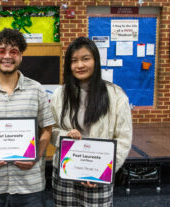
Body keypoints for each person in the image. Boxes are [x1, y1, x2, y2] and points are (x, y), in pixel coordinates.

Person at [0, 28, 55, 207]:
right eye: (1, 51)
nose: (7, 56)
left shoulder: (37, 90)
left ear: (21, 56)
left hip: (29, 184)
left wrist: (36, 156)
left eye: (13, 51)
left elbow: (47, 129)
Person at [50, 37, 132, 206]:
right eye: (74, 61)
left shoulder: (115, 95)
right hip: (66, 172)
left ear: (95, 60)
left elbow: (123, 138)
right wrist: (65, 135)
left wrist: (104, 171)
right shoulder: (60, 94)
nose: (79, 65)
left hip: (98, 174)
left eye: (85, 59)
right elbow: (51, 129)